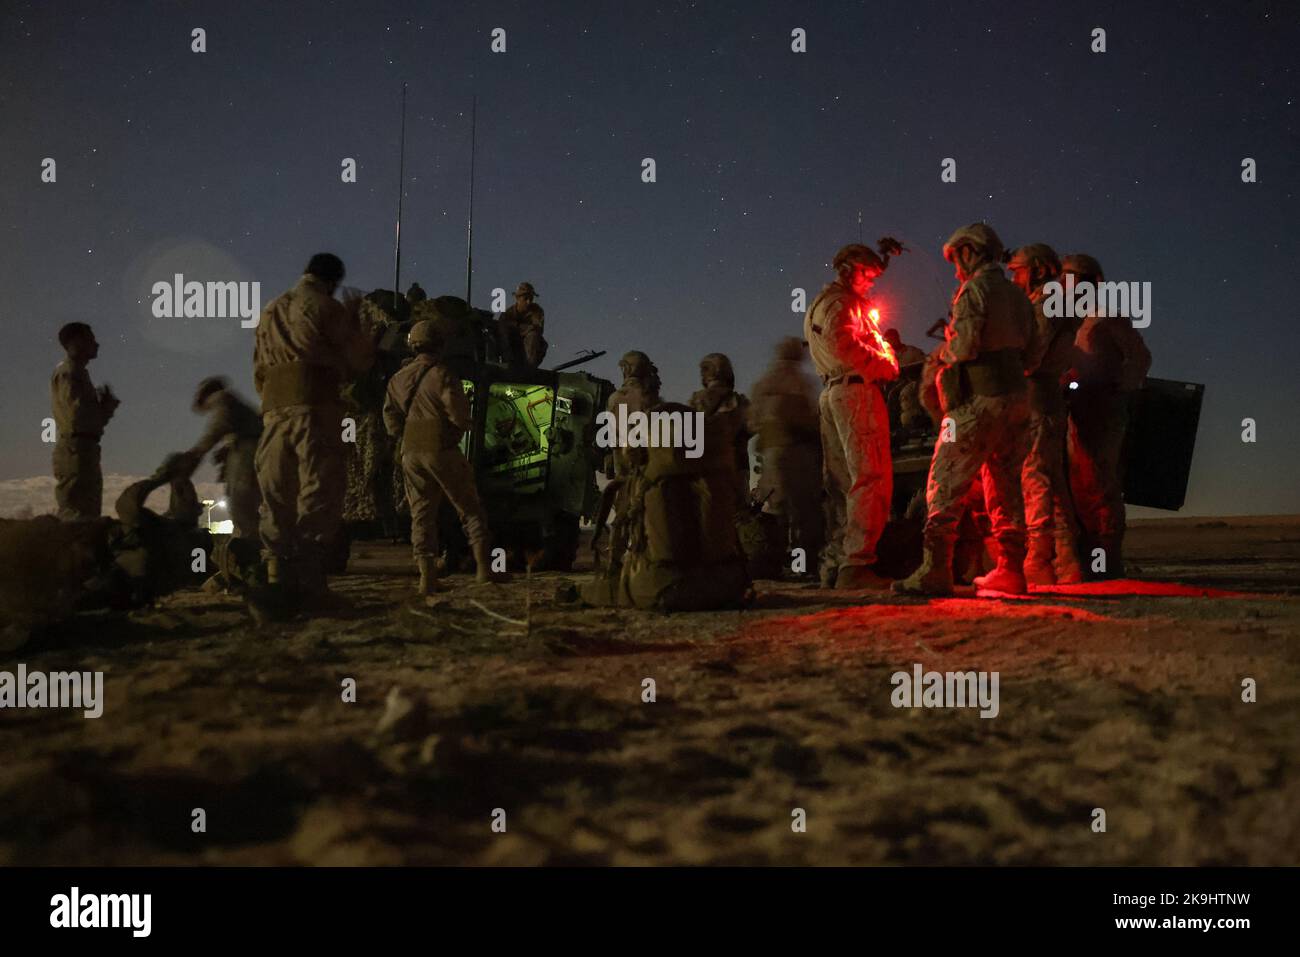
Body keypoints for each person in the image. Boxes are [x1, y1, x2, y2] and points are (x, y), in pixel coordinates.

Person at [894, 223, 1034, 597]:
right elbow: (1032, 352)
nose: (956, 270)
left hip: (976, 406)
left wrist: (943, 354)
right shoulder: (1017, 295)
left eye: (957, 259)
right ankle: (1011, 570)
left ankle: (934, 569)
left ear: (970, 252)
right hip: (1016, 401)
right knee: (1005, 482)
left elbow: (966, 346)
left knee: (945, 477)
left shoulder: (975, 290)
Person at [252, 252, 375, 601]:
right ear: (333, 281)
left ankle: (276, 575)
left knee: (276, 492)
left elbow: (259, 370)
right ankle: (308, 581)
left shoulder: (270, 310)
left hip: (274, 410)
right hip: (315, 408)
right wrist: (356, 323)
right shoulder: (326, 307)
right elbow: (358, 360)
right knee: (319, 491)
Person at [803, 238, 905, 589]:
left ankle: (839, 562)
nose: (871, 281)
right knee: (870, 476)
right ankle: (857, 564)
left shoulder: (824, 303)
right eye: (867, 274)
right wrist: (884, 363)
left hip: (834, 392)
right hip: (855, 392)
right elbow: (843, 344)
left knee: (843, 483)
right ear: (848, 271)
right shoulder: (842, 303)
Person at [383, 320, 502, 596]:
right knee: (469, 507)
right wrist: (458, 431)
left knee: (421, 515)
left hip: (410, 451)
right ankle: (484, 570)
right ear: (439, 344)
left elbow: (390, 418)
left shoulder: (398, 378)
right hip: (440, 448)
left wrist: (406, 436)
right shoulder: (442, 374)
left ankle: (427, 579)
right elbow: (458, 415)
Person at [1063, 253, 1152, 578]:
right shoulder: (1067, 321)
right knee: (1078, 486)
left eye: (1070, 278)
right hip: (1076, 409)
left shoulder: (1107, 317)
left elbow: (1140, 357)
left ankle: (1108, 565)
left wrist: (1118, 389)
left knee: (1099, 485)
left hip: (1103, 407)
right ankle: (1090, 563)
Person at [1007, 244, 1084, 586]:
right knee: (1054, 483)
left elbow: (1031, 356)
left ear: (1037, 269)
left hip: (1036, 397)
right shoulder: (1062, 301)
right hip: (1051, 397)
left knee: (1034, 477)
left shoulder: (1046, 302)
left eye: (1018, 270)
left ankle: (1038, 560)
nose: (1014, 277)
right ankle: (1069, 561)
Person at [747, 337, 823, 571]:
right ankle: (805, 565)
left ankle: (773, 563)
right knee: (804, 509)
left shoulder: (763, 383)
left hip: (771, 452)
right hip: (798, 452)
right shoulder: (801, 381)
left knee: (775, 508)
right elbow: (811, 418)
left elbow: (752, 422)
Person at [50, 322, 118, 520]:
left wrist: (104, 409)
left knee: (86, 513)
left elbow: (87, 422)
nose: (96, 345)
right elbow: (78, 418)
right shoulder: (69, 372)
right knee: (76, 517)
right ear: (76, 342)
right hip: (76, 449)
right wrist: (103, 409)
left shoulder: (77, 373)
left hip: (83, 448)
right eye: (91, 339)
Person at [183, 377, 262, 542]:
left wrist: (196, 453)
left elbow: (219, 425)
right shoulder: (235, 403)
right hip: (253, 452)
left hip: (247, 454)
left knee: (242, 504)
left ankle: (248, 550)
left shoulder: (221, 397)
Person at [689, 353, 751, 508]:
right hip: (737, 469)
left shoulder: (695, 402)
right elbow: (753, 429)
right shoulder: (740, 402)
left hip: (703, 473)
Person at [497, 281, 548, 368]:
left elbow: (538, 329)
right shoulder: (507, 314)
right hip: (512, 347)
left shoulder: (537, 311)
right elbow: (502, 332)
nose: (528, 302)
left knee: (534, 336)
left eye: (531, 299)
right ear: (518, 299)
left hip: (530, 346)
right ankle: (509, 365)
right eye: (525, 298)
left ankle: (529, 368)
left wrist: (521, 329)